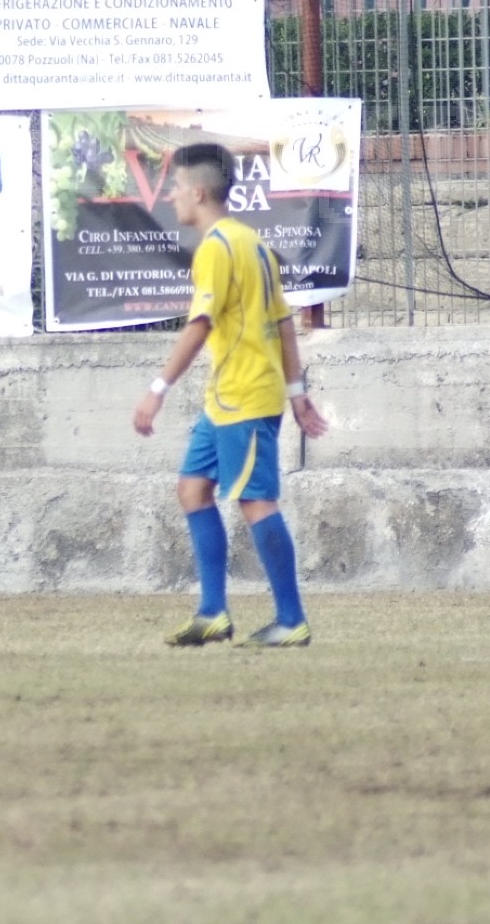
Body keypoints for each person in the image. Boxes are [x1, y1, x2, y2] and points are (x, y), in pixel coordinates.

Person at [131, 142, 329, 648]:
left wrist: (156, 391)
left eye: (174, 187)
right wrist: (297, 391)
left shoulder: (218, 248)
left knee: (255, 501)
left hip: (244, 398)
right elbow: (284, 322)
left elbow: (199, 326)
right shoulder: (253, 243)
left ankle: (292, 619)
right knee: (193, 488)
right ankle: (213, 612)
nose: (170, 196)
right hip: (225, 399)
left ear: (197, 191)